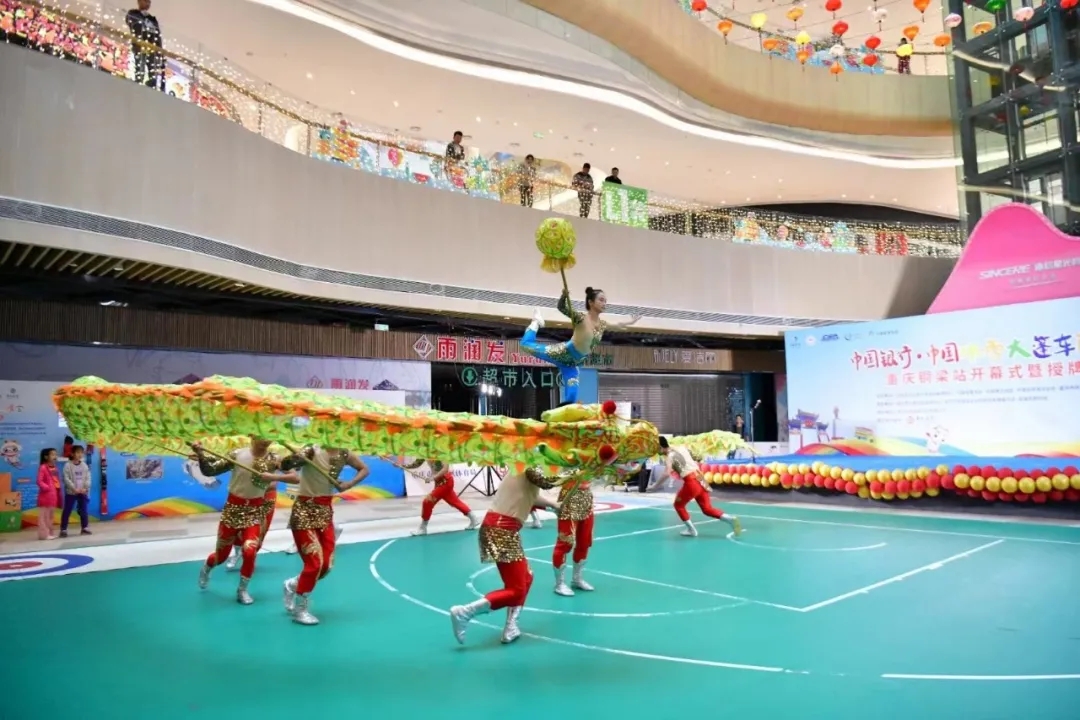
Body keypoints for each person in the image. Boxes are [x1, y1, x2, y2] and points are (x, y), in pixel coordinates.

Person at [450, 468, 561, 645]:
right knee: (517, 590)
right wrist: (577, 471)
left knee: (526, 577)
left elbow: (531, 496)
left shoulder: (525, 466)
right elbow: (547, 482)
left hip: (501, 528)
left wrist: (554, 505)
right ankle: (465, 612)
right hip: (501, 530)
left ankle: (511, 626)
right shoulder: (529, 464)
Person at [280, 445, 369, 625]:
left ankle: (292, 585)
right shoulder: (312, 450)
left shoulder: (344, 453)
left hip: (325, 513)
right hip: (304, 511)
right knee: (314, 564)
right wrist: (293, 458)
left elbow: (364, 469)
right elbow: (285, 465)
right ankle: (300, 610)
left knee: (326, 566)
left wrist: (349, 484)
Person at [193, 438, 284, 604]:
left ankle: (242, 590)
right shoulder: (237, 454)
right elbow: (209, 471)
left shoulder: (275, 458)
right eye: (261, 437)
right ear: (252, 435)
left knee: (250, 551)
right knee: (221, 556)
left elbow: (295, 472)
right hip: (233, 510)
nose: (265, 441)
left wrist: (275, 475)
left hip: (254, 511)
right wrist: (200, 454)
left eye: (268, 437)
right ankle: (206, 568)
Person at [520, 286, 641, 403]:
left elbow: (618, 325)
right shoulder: (580, 318)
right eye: (601, 300)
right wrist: (564, 296)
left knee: (572, 396)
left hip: (573, 365)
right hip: (561, 353)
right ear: (591, 302)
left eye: (605, 301)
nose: (604, 303)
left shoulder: (602, 324)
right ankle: (536, 322)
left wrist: (630, 322)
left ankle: (565, 414)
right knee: (525, 345)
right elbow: (561, 307)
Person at [658, 437, 742, 538]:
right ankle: (730, 519)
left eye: (656, 448)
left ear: (661, 447)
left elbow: (666, 473)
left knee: (678, 505)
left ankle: (691, 530)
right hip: (701, 478)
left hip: (691, 482)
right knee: (707, 509)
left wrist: (654, 486)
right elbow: (695, 456)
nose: (656, 451)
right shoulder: (681, 448)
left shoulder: (669, 457)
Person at [398, 458, 479, 536]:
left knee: (427, 502)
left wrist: (433, 478)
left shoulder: (440, 451)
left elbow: (445, 469)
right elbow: (416, 464)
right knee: (454, 502)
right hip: (439, 482)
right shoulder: (424, 452)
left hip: (445, 481)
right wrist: (403, 465)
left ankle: (423, 528)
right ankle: (474, 519)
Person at [552, 471, 596, 596]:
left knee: (585, 541)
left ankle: (577, 578)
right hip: (569, 497)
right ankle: (559, 583)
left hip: (586, 497)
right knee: (565, 542)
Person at [126, 0, 164, 91]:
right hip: (140, 46)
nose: (147, 4)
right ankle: (138, 85)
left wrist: (160, 51)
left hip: (152, 49)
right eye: (145, 1)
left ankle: (151, 86)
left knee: (152, 71)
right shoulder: (133, 14)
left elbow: (157, 36)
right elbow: (133, 24)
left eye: (149, 2)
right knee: (140, 68)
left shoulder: (152, 19)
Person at [60, 445, 92, 537]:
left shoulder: (84, 465)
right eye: (77, 452)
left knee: (84, 510)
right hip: (71, 492)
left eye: (81, 452)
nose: (80, 454)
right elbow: (66, 478)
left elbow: (88, 477)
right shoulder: (68, 465)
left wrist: (85, 488)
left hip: (82, 492)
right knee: (67, 510)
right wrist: (74, 488)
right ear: (72, 454)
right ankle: (63, 529)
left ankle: (85, 528)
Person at [36, 448, 60, 541]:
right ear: (46, 457)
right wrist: (48, 488)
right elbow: (39, 481)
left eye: (55, 454)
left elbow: (56, 481)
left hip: (53, 496)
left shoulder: (55, 468)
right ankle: (44, 535)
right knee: (44, 516)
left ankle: (50, 533)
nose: (55, 456)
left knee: (50, 516)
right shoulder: (43, 467)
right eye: (52, 454)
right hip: (45, 496)